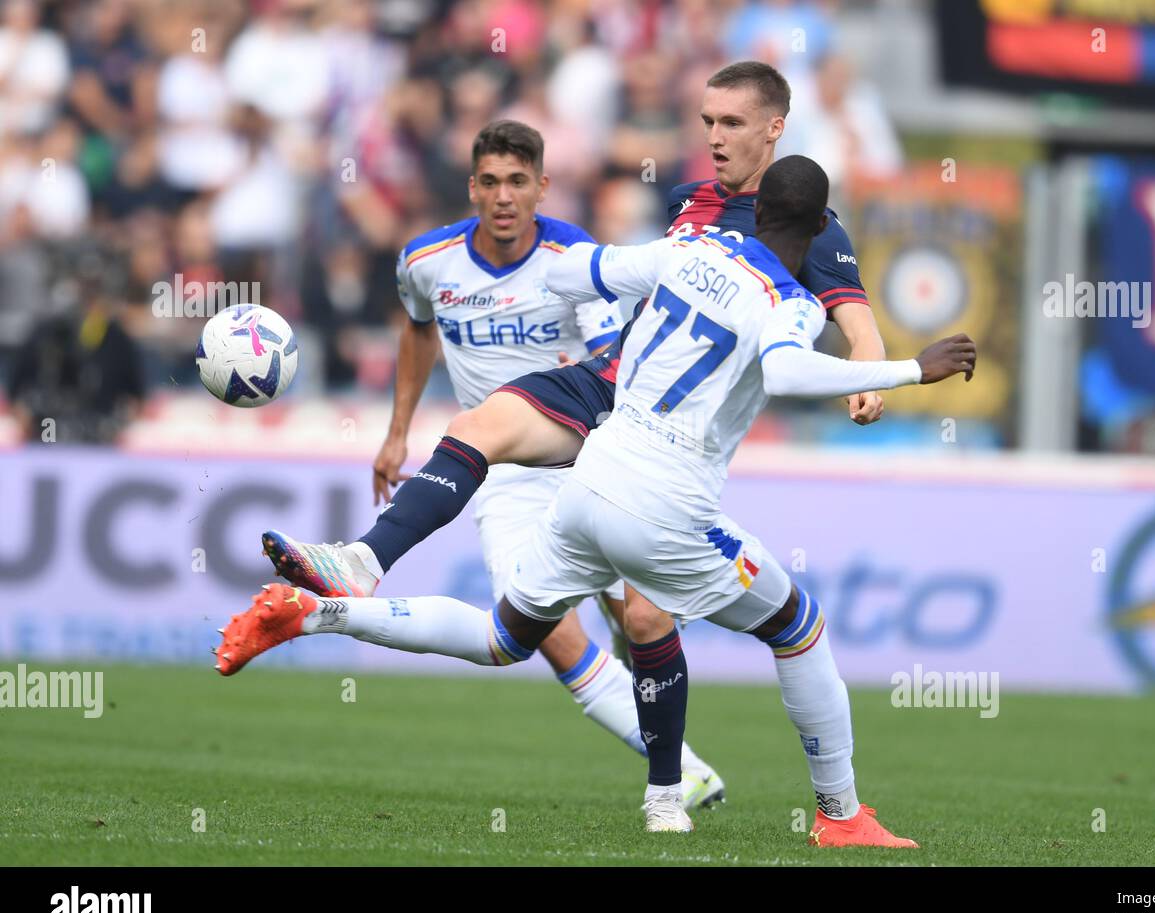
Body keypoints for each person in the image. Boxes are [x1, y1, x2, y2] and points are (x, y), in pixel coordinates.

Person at [217, 155, 977, 842]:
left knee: (504, 638)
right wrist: (910, 371)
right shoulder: (792, 303)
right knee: (798, 627)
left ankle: (320, 611)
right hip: (666, 507)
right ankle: (842, 817)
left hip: (586, 484)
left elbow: (570, 274)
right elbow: (785, 374)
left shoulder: (687, 248)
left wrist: (603, 280)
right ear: (817, 229)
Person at [267, 60, 888, 671]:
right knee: (475, 429)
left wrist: (870, 380)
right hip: (607, 380)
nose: (715, 137)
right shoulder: (685, 201)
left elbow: (859, 326)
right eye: (708, 121)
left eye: (732, 122)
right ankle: (360, 564)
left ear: (775, 128)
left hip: (667, 435)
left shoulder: (815, 230)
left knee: (637, 621)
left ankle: (676, 774)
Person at [261, 118, 724, 810]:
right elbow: (418, 331)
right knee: (542, 631)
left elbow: (611, 368)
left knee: (640, 624)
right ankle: (682, 771)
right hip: (499, 474)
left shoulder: (576, 262)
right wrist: (395, 434)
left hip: (590, 457)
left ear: (541, 187)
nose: (504, 196)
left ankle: (660, 718)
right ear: (472, 188)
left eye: (517, 182)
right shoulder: (426, 261)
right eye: (490, 182)